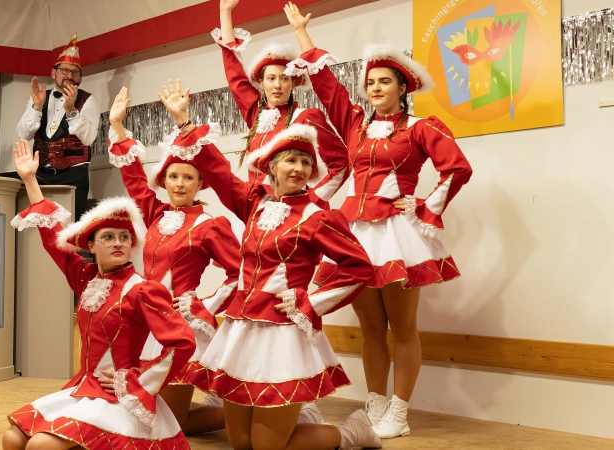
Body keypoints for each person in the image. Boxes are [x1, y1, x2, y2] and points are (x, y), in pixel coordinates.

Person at [158, 79, 381, 450]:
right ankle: (301, 418)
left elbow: (361, 269)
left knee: (265, 446)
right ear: (273, 168)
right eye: (291, 160)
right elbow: (218, 170)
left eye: (306, 162)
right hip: (240, 329)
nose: (299, 168)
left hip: (282, 334)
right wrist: (184, 121)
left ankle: (351, 433)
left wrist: (310, 303)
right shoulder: (255, 204)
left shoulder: (317, 217)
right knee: (240, 443)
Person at [284, 2, 473, 439]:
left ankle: (400, 413)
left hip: (396, 235)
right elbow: (329, 89)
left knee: (402, 329)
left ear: (402, 87)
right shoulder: (355, 125)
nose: (374, 88)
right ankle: (376, 406)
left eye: (384, 81)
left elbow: (457, 168)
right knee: (371, 328)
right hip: (356, 233)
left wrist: (424, 207)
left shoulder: (421, 127)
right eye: (370, 82)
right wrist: (302, 35)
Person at [2, 140, 195, 450]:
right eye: (108, 237)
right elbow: (53, 239)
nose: (118, 242)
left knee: (41, 446)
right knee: (12, 438)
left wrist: (135, 380)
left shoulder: (143, 289)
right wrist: (30, 180)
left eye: (124, 237)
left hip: (118, 397)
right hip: (83, 387)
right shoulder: (86, 278)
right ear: (91, 246)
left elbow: (183, 343)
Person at [105, 87, 241, 434]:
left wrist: (203, 304)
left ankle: (245, 417)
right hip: (144, 322)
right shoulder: (155, 213)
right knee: (145, 414)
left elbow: (241, 274)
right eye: (173, 177)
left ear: (200, 183)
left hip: (180, 329)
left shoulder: (211, 225)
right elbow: (134, 180)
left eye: (188, 177)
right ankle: (232, 411)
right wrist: (118, 126)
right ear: (164, 181)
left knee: (170, 424)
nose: (180, 184)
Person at [214, 0, 348, 199]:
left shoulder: (307, 118)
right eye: (271, 78)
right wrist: (225, 13)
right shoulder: (256, 114)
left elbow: (341, 162)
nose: (278, 85)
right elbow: (234, 74)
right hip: (254, 207)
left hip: (290, 209)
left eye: (284, 79)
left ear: (293, 83)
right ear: (261, 83)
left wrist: (312, 199)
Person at [16, 33, 100, 219]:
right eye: (64, 70)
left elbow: (88, 138)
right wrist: (36, 107)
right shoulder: (39, 97)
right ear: (54, 73)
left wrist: (71, 111)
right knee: (35, 222)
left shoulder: (87, 100)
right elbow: (23, 134)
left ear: (80, 77)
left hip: (73, 175)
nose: (69, 75)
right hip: (40, 174)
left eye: (75, 72)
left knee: (70, 227)